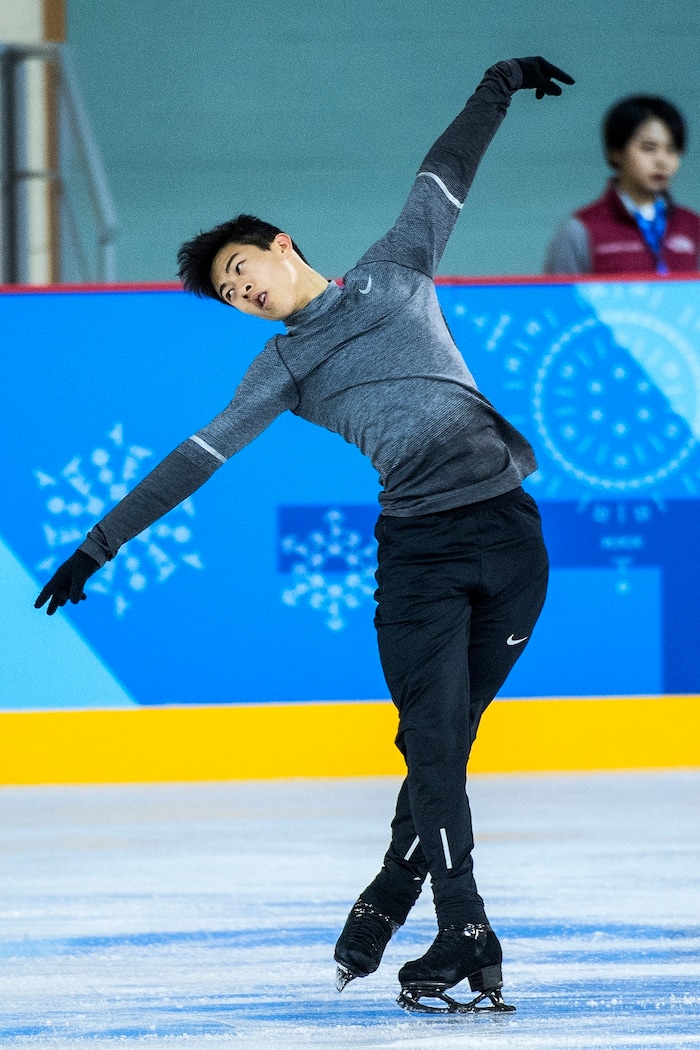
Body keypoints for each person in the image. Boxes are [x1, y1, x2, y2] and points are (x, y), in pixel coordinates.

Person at [35, 56, 572, 1014]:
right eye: (232, 296)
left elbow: (442, 174)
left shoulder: (397, 268)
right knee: (437, 739)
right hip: (421, 559)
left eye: (244, 271)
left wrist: (493, 87)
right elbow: (197, 456)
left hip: (511, 539)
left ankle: (386, 896)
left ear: (283, 247)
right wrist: (97, 544)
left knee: (443, 742)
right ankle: (466, 928)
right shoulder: (280, 370)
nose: (246, 294)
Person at [544, 94, 700, 274]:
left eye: (671, 150)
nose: (662, 161)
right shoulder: (581, 230)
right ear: (615, 152)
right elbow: (556, 301)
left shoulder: (693, 226)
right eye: (648, 148)